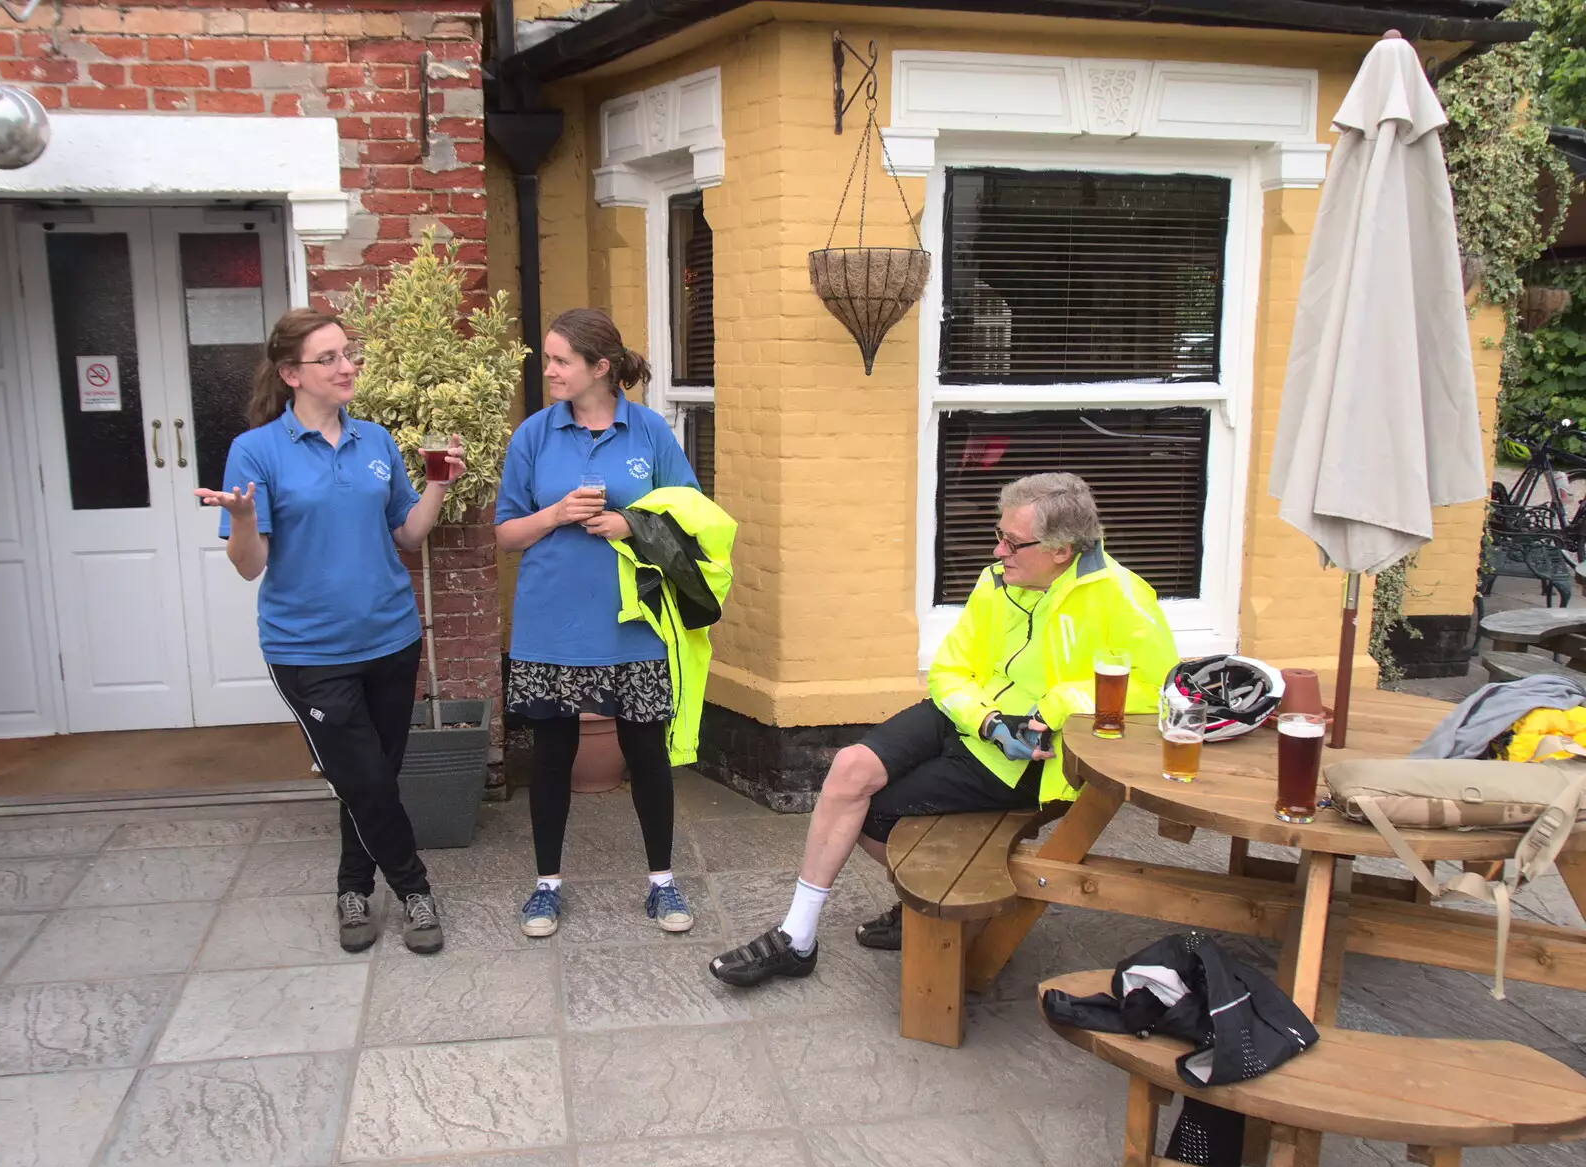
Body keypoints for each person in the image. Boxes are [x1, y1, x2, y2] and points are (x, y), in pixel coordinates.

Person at [710, 472, 1178, 987]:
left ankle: (934, 910)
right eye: (998, 535)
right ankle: (798, 937)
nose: (998, 550)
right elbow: (950, 672)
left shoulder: (1119, 595)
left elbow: (1159, 688)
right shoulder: (997, 580)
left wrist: (1063, 703)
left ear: (1061, 550)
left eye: (1012, 541)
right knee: (850, 769)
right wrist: (986, 719)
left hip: (1029, 755)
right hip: (972, 717)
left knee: (873, 815)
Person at [195, 308, 457, 955]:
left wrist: (438, 484)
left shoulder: (374, 442)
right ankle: (413, 887)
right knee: (364, 777)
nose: (348, 367)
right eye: (330, 358)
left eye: (349, 353)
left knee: (369, 776)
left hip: (392, 639)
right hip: (309, 651)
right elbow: (249, 564)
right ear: (291, 374)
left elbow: (407, 534)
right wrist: (247, 518)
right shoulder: (256, 451)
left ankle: (351, 886)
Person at [495, 308, 702, 938]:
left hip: (633, 620)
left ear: (599, 368)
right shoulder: (533, 434)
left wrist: (629, 524)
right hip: (551, 623)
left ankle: (663, 884)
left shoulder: (649, 433)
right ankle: (546, 887)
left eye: (560, 360)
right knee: (552, 752)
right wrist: (556, 512)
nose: (549, 370)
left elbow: (692, 517)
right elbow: (506, 534)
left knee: (647, 750)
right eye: (549, 359)